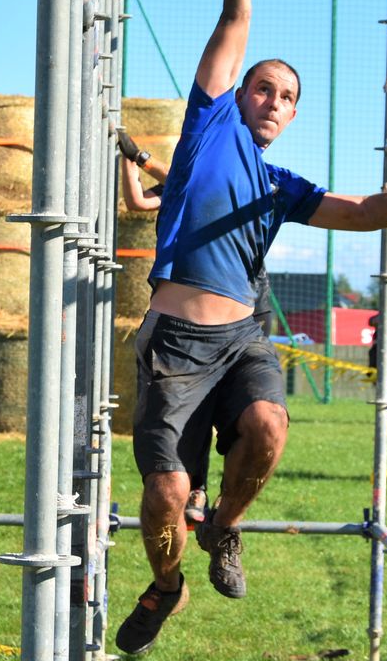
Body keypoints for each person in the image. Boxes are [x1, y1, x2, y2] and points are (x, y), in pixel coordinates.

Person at [115, 0, 387, 655]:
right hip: (175, 347)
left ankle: (224, 528)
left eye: (288, 97)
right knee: (165, 494)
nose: (273, 101)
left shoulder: (280, 187)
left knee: (270, 425)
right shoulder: (209, 130)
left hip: (242, 336)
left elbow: (362, 211)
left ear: (294, 116)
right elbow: (236, 14)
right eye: (264, 88)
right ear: (237, 95)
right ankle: (166, 586)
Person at [117, 127, 276, 527]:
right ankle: (197, 487)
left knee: (246, 407)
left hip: (247, 304)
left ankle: (225, 503)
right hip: (190, 313)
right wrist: (127, 163)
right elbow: (137, 201)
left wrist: (142, 158)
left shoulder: (233, 177)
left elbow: (178, 179)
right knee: (192, 408)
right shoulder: (180, 187)